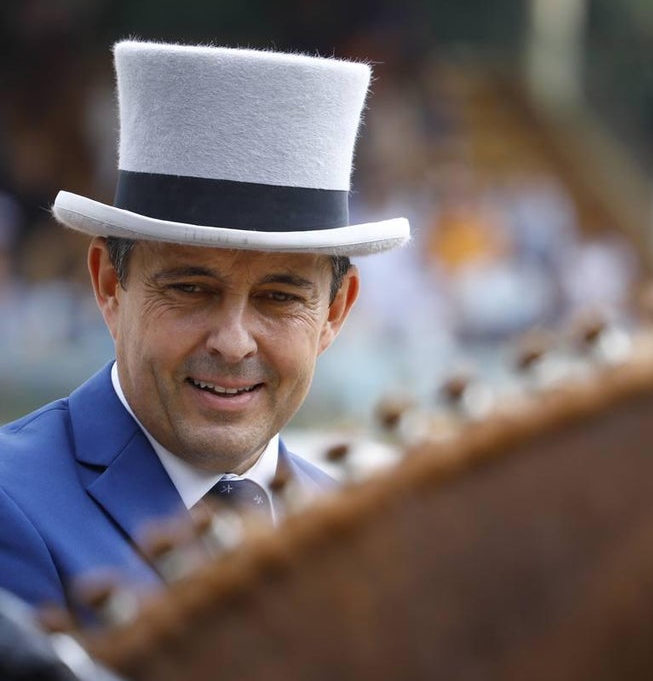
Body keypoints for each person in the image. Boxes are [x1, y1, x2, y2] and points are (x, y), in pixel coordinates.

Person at [0, 41, 410, 611]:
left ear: (335, 312)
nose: (234, 341)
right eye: (190, 289)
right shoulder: (10, 506)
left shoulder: (358, 537)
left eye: (278, 298)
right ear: (109, 285)